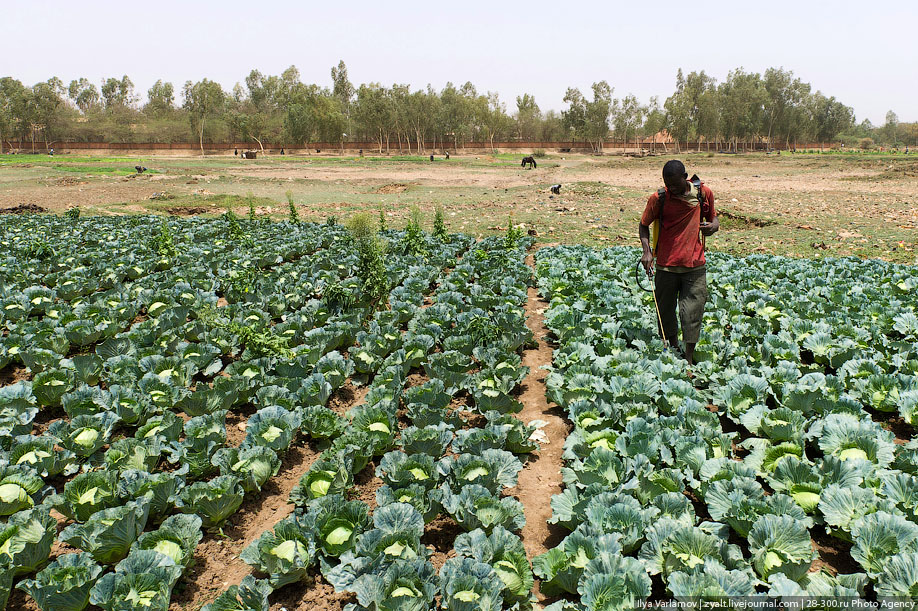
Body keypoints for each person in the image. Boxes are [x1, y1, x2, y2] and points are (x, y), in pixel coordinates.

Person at [639, 159, 719, 365]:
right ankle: (673, 351)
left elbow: (714, 219)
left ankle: (689, 359)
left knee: (693, 312)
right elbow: (643, 225)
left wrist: (712, 227)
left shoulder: (703, 194)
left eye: (675, 184)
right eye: (668, 184)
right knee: (665, 311)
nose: (671, 188)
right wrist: (646, 252)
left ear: (685, 178)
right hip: (666, 265)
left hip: (695, 264)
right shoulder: (659, 198)